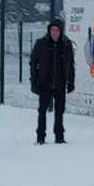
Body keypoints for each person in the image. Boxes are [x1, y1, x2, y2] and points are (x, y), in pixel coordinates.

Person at [29, 17, 76, 145]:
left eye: (57, 30)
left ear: (61, 31)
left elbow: (71, 64)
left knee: (60, 111)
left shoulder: (66, 44)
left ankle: (59, 136)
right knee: (42, 110)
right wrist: (34, 82)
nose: (54, 33)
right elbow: (33, 63)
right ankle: (40, 137)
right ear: (49, 31)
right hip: (44, 83)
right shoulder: (41, 43)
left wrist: (71, 82)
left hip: (60, 83)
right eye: (52, 30)